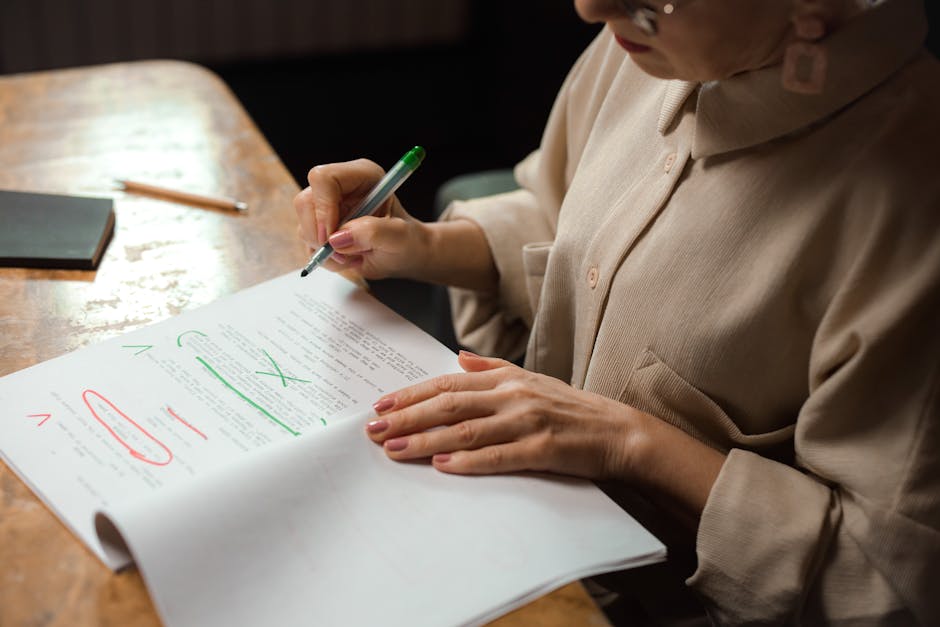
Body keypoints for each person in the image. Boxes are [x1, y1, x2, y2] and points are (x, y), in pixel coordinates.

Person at [294, 0, 940, 623]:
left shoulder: (914, 198)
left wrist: (629, 443)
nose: (590, 9)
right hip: (524, 529)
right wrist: (428, 245)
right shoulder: (646, 46)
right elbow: (563, 217)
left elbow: (889, 584)